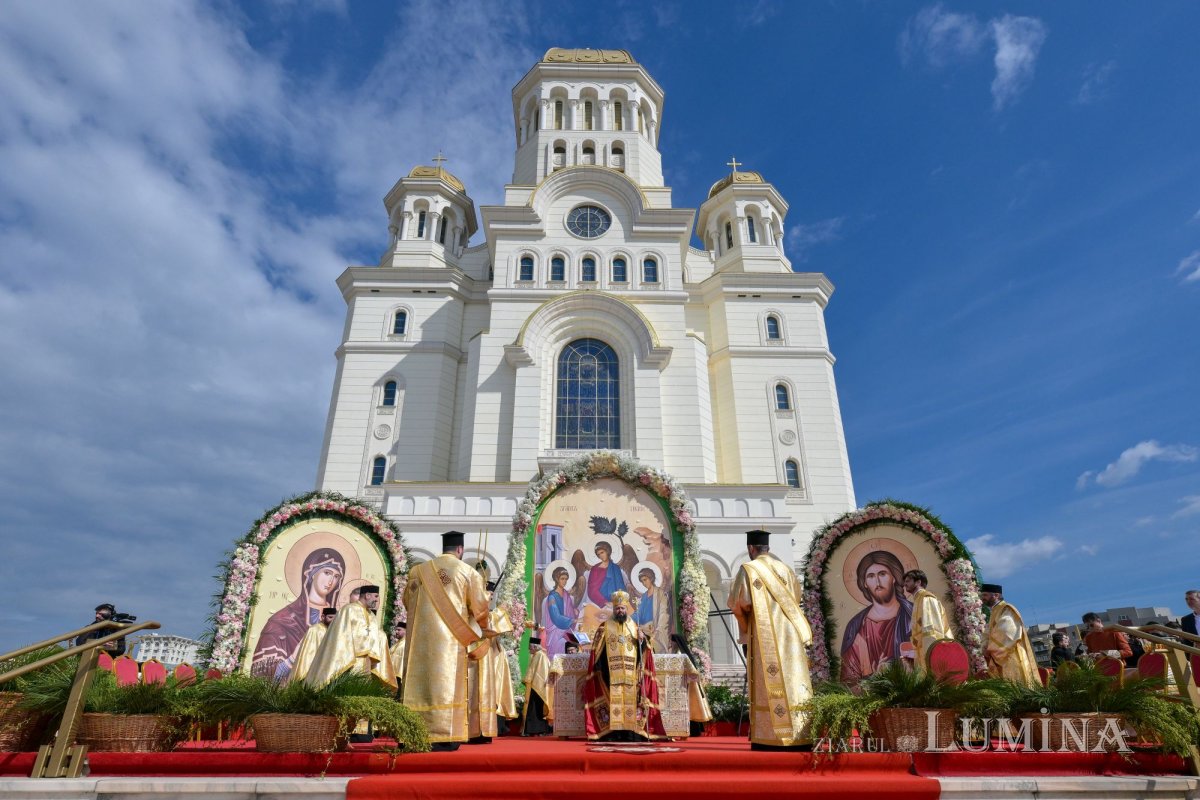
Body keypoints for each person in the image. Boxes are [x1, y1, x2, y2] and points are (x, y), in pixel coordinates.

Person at [401, 531, 490, 752]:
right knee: (446, 684)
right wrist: (484, 625)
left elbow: (407, 602)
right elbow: (480, 609)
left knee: (420, 684)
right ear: (460, 549)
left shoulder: (417, 571)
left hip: (420, 641)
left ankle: (415, 733)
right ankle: (444, 735)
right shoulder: (467, 572)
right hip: (450, 642)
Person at [728, 530, 813, 750]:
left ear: (751, 549)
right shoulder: (786, 569)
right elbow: (796, 597)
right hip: (791, 635)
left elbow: (738, 603)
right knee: (794, 679)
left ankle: (773, 736)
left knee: (768, 683)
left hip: (765, 635)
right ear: (768, 548)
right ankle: (800, 733)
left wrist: (745, 628)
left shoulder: (749, 569)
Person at [583, 590, 665, 742]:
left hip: (631, 674)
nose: (620, 611)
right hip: (609, 673)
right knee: (613, 703)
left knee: (630, 703)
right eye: (617, 608)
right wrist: (600, 668)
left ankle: (630, 733)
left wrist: (642, 640)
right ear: (613, 609)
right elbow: (597, 649)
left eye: (622, 608)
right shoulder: (604, 627)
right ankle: (614, 734)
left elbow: (644, 650)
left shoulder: (635, 627)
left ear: (626, 609)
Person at [252, 548, 345, 679]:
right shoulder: (281, 620)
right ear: (312, 574)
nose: (331, 581)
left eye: (336, 576)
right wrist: (293, 659)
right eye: (327, 573)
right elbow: (264, 675)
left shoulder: (340, 621)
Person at [839, 550, 913, 687]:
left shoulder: (913, 615)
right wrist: (875, 679)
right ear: (865, 583)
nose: (877, 582)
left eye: (882, 574)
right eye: (871, 576)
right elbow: (849, 684)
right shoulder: (856, 627)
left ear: (894, 577)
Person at [304, 585, 397, 690]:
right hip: (350, 660)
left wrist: (371, 658)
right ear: (367, 595)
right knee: (347, 689)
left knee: (361, 691)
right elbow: (340, 635)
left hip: (367, 661)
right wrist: (348, 657)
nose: (376, 600)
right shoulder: (348, 610)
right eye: (375, 596)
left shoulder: (372, 616)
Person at [467, 581, 518, 744]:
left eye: (490, 595)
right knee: (472, 692)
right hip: (473, 658)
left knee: (487, 691)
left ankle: (484, 731)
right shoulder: (471, 612)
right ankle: (471, 731)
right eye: (488, 594)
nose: (490, 598)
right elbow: (486, 624)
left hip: (487, 658)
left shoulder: (487, 613)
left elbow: (494, 627)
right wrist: (500, 611)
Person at [981, 584, 1039, 687]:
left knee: (1018, 686)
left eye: (985, 595)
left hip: (1011, 655)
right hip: (999, 657)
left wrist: (989, 647)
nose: (983, 598)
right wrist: (984, 645)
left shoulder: (1007, 609)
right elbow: (987, 632)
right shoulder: (994, 611)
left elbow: (1006, 632)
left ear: (996, 595)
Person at [903, 570, 953, 673]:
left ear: (918, 582)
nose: (905, 584)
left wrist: (930, 654)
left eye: (908, 581)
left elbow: (931, 630)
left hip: (931, 651)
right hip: (922, 652)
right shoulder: (918, 600)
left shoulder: (926, 599)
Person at [670, 633, 712, 737]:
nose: (671, 644)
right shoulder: (674, 653)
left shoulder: (680, 654)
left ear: (677, 643)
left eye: (672, 642)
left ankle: (692, 730)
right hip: (677, 684)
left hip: (685, 685)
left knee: (690, 707)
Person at [288, 607, 337, 682]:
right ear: (323, 617)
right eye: (330, 617)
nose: (333, 620)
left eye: (335, 618)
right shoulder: (314, 630)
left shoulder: (333, 631)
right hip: (314, 669)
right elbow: (309, 653)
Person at [631, 566, 672, 652]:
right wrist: (628, 619)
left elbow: (664, 613)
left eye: (645, 580)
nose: (644, 583)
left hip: (654, 629)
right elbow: (639, 613)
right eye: (642, 581)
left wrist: (658, 629)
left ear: (651, 578)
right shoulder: (644, 596)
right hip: (643, 630)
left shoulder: (660, 594)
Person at [542, 566, 578, 658]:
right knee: (560, 650)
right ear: (556, 579)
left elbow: (570, 611)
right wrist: (573, 620)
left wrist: (575, 612)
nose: (564, 581)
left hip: (567, 629)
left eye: (566, 579)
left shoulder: (566, 595)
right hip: (555, 631)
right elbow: (556, 617)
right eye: (562, 579)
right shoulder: (552, 597)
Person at [521, 636, 553, 736]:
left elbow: (538, 672)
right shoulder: (537, 655)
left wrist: (527, 679)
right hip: (535, 685)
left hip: (537, 686)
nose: (529, 650)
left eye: (530, 648)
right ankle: (536, 730)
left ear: (535, 647)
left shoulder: (540, 655)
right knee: (534, 708)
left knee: (535, 708)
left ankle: (535, 730)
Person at [584, 542, 628, 608]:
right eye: (598, 554)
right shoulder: (595, 569)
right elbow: (592, 590)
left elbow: (621, 587)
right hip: (599, 603)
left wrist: (618, 603)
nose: (601, 556)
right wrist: (604, 602)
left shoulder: (615, 568)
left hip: (616, 602)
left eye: (602, 552)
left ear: (607, 551)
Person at [388, 621, 407, 692]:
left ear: (406, 631)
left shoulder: (406, 643)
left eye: (399, 630)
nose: (396, 632)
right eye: (396, 630)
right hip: (392, 673)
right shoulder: (397, 644)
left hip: (399, 674)